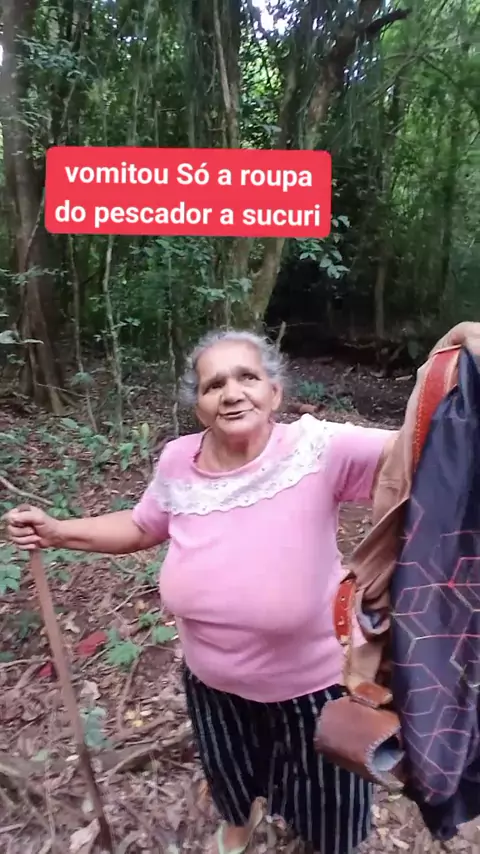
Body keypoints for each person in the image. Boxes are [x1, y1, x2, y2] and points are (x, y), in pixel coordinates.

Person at [6, 327, 408, 854]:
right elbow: (143, 525)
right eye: (214, 385)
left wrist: (456, 374)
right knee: (231, 775)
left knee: (330, 810)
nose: (232, 393)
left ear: (275, 393)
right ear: (199, 407)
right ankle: (239, 824)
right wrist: (58, 531)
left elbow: (421, 450)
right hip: (212, 683)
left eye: (247, 378)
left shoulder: (320, 448)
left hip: (315, 687)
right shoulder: (178, 460)